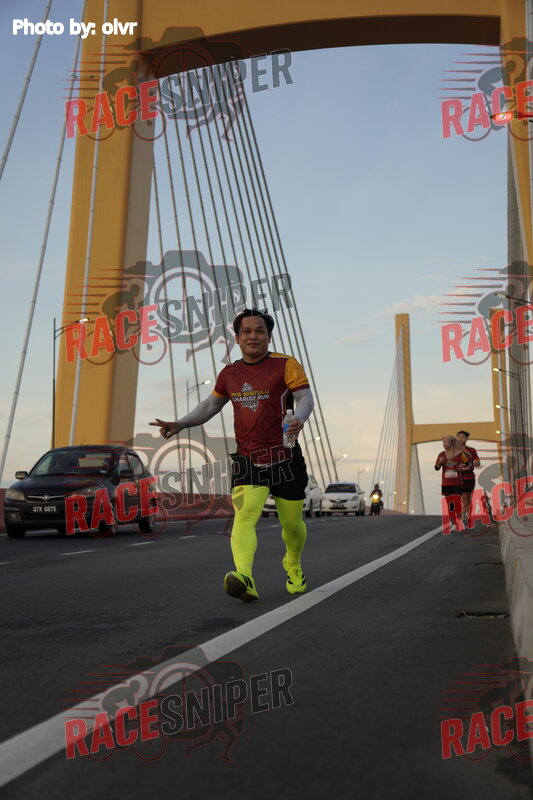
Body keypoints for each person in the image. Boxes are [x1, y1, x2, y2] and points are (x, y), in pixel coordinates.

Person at [149, 308, 314, 603]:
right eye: (247, 332)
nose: (253, 336)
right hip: (247, 458)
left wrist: (299, 419)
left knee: (292, 525)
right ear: (237, 338)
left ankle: (293, 563)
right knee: (245, 515)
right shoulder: (229, 374)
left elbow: (305, 398)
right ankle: (244, 577)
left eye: (260, 331)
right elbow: (210, 406)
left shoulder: (285, 364)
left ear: (268, 336)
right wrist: (181, 423)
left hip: (285, 456)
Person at [435, 435, 471, 530]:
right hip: (446, 484)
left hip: (457, 483)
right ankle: (453, 523)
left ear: (451, 443)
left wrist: (463, 466)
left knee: (457, 503)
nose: (443, 444)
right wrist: (439, 463)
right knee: (450, 505)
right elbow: (436, 468)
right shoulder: (441, 455)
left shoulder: (460, 454)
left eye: (445, 442)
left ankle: (460, 520)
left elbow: (467, 463)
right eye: (443, 442)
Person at [456, 430, 480, 525]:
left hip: (469, 476)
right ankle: (462, 519)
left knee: (469, 500)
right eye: (458, 437)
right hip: (458, 477)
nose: (460, 439)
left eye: (462, 437)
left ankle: (465, 518)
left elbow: (478, 463)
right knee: (464, 498)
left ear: (466, 439)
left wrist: (470, 464)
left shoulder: (472, 450)